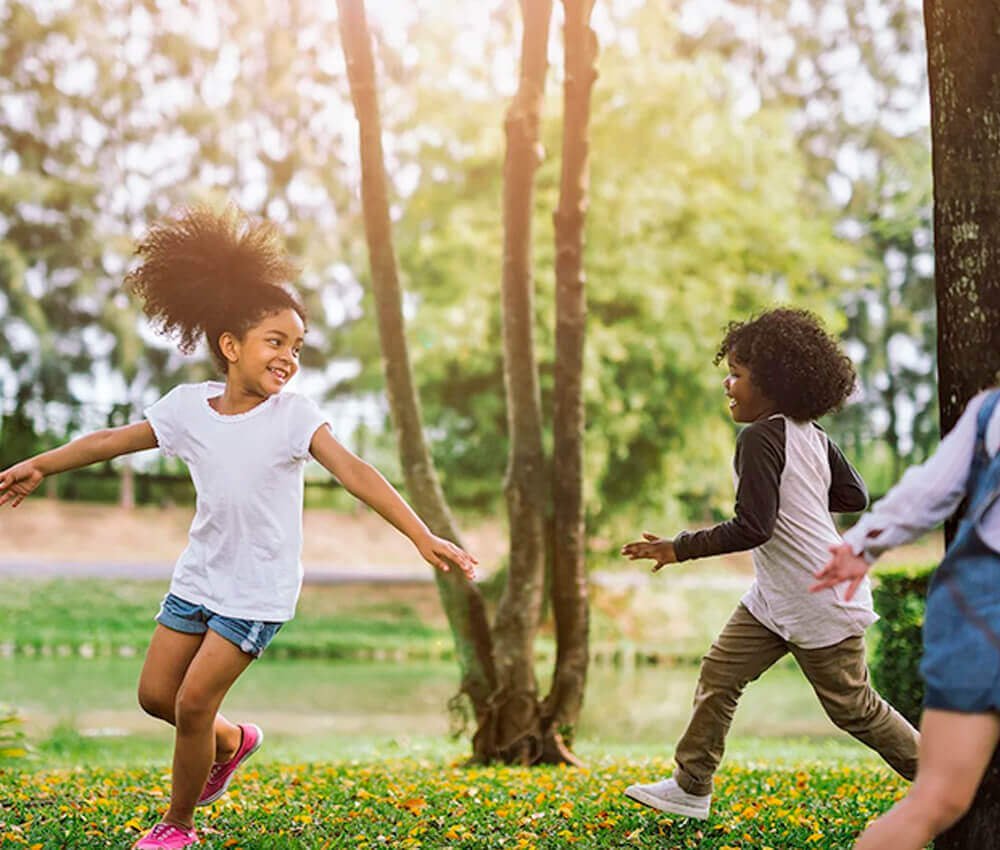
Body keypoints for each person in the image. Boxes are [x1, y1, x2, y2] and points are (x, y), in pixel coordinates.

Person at [0, 205, 477, 850]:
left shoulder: (294, 416)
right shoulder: (188, 410)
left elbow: (357, 471)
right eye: (275, 342)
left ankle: (178, 827)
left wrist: (420, 535)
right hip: (199, 574)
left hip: (258, 590)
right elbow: (113, 441)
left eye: (297, 347)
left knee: (192, 704)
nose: (289, 357)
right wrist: (40, 465)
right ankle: (234, 740)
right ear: (231, 347)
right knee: (155, 696)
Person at [620, 307, 919, 820]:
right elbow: (854, 495)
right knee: (719, 673)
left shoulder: (759, 438)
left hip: (816, 596)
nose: (728, 385)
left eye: (737, 374)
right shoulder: (812, 435)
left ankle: (953, 780)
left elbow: (753, 526)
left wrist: (678, 547)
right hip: (776, 597)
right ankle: (691, 786)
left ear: (775, 383)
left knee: (854, 708)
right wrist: (803, 500)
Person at [812, 387, 1000, 850]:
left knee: (938, 799)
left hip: (977, 603)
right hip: (982, 609)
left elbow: (927, 492)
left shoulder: (990, 411)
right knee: (937, 797)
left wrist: (861, 546)